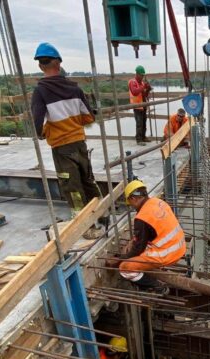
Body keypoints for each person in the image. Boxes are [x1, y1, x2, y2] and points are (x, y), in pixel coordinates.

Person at [30, 42, 104, 239]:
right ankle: (102, 214)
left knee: (72, 187)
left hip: (61, 147)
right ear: (59, 63)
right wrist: (72, 121)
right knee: (88, 179)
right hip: (79, 142)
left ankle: (84, 227)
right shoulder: (74, 89)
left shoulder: (40, 92)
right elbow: (89, 117)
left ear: (40, 66)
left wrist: (47, 130)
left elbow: (37, 124)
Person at [115, 180, 186, 293]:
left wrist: (120, 259)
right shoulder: (158, 202)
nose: (133, 208)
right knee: (135, 247)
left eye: (131, 204)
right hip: (180, 247)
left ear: (133, 199)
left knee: (125, 268)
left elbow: (138, 249)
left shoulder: (142, 218)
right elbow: (153, 230)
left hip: (168, 254)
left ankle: (158, 287)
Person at [128, 65, 152, 145]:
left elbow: (144, 94)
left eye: (143, 75)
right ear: (137, 74)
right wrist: (143, 86)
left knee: (144, 122)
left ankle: (143, 137)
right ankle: (139, 139)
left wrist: (148, 89)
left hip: (143, 104)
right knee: (139, 123)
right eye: (141, 75)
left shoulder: (141, 83)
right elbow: (134, 92)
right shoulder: (132, 82)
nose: (142, 77)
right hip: (136, 106)